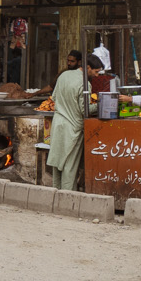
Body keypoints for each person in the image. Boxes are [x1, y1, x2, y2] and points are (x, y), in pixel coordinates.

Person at [48, 55, 88, 192]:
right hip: (73, 127)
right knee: (69, 164)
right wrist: (100, 104)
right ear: (88, 68)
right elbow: (84, 109)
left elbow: (53, 97)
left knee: (57, 162)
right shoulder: (85, 83)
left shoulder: (63, 75)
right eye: (96, 71)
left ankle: (55, 193)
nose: (97, 74)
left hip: (58, 123)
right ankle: (67, 196)